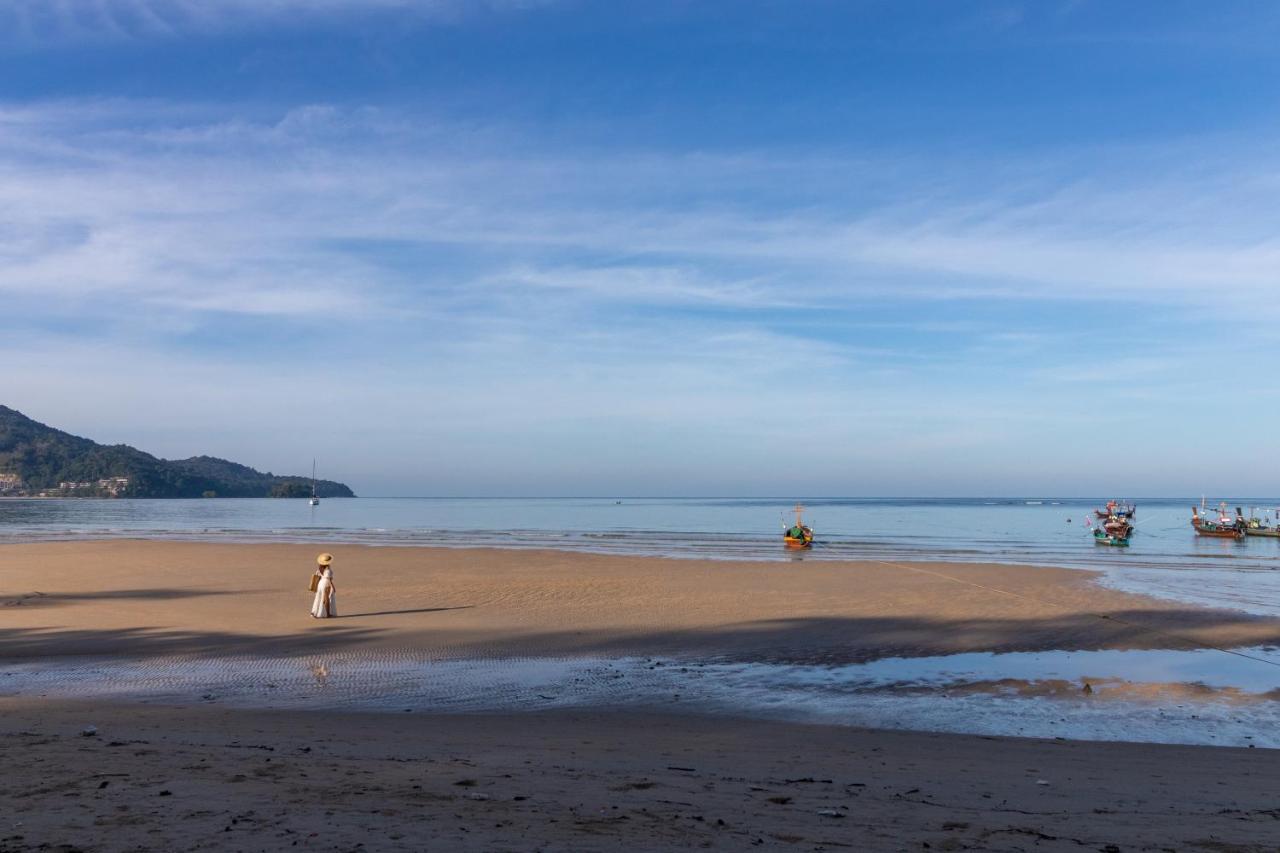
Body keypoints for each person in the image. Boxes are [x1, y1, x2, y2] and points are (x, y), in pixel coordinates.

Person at [310, 553, 337, 618]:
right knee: (326, 599)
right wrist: (333, 587)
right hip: (326, 583)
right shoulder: (328, 570)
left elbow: (318, 577)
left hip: (320, 584)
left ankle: (315, 612)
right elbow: (329, 579)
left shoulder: (319, 569)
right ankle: (327, 614)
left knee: (319, 597)